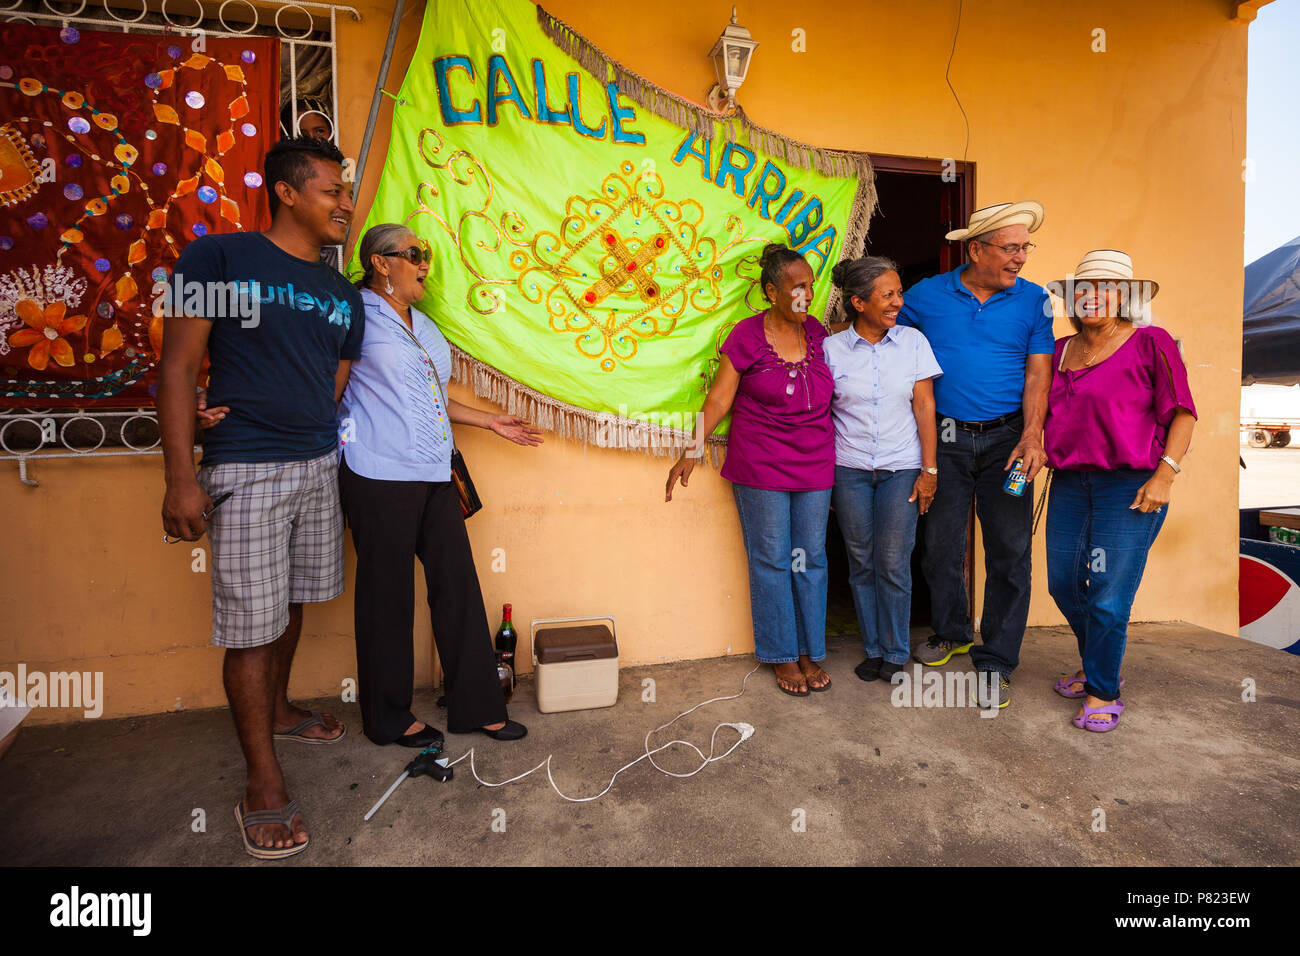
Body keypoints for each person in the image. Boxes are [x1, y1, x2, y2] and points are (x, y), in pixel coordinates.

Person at [159, 135, 362, 860]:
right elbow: (179, 366)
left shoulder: (343, 293)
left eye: (345, 192)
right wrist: (180, 473)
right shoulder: (218, 259)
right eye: (332, 192)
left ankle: (277, 709)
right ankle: (262, 781)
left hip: (317, 465)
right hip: (245, 466)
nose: (346, 204)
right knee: (250, 623)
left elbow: (335, 377)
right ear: (286, 191)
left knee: (292, 599)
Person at [338, 223, 540, 747]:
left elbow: (432, 402)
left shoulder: (424, 326)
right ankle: (387, 717)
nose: (425, 262)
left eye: (425, 253)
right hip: (378, 472)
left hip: (434, 471)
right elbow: (327, 385)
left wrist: (489, 421)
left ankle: (477, 705)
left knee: (458, 587)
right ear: (381, 263)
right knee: (387, 599)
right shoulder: (354, 313)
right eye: (414, 254)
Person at [897, 201, 1053, 709]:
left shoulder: (1035, 301)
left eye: (1025, 248)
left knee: (1009, 550)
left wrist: (1032, 435)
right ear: (976, 249)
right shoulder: (925, 296)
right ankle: (952, 631)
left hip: (1010, 442)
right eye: (1011, 248)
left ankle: (998, 658)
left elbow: (1038, 373)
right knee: (940, 543)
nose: (1021, 259)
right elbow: (891, 343)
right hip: (944, 440)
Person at [665, 244, 835, 697]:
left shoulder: (818, 333)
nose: (807, 295)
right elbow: (720, 399)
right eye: (798, 288)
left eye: (811, 286)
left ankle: (809, 649)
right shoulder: (746, 335)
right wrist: (691, 448)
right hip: (761, 463)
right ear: (771, 291)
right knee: (772, 560)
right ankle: (782, 654)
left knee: (811, 559)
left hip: (815, 463)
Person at [1042, 250, 1196, 732]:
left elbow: (1183, 413)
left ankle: (1103, 689)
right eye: (1083, 289)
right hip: (1068, 483)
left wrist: (1165, 475)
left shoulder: (1152, 343)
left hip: (1130, 486)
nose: (1094, 298)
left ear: (1126, 297)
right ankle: (1098, 662)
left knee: (1109, 595)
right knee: (1064, 583)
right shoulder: (1062, 349)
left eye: (1107, 288)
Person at [825, 257, 942, 684]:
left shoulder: (913, 342)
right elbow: (822, 413)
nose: (898, 302)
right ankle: (872, 647)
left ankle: (894, 650)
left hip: (901, 468)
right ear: (858, 302)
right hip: (849, 468)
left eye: (898, 292)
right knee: (861, 562)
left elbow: (925, 405)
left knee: (892, 562)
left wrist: (929, 469)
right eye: (887, 295)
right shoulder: (831, 350)